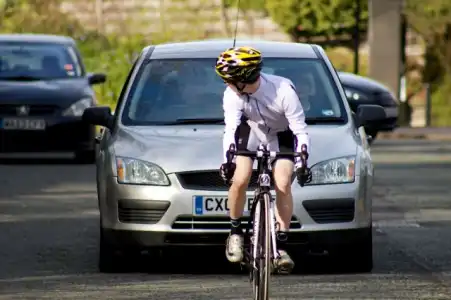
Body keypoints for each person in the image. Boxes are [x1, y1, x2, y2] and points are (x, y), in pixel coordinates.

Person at [215, 46, 312, 274]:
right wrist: (227, 160)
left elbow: (300, 130)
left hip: (282, 134)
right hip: (251, 131)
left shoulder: (283, 91)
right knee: (240, 178)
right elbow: (230, 129)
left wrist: (302, 163)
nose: (226, 85)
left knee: (283, 182)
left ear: (243, 78)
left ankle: (281, 245)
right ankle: (236, 233)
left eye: (229, 80)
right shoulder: (232, 95)